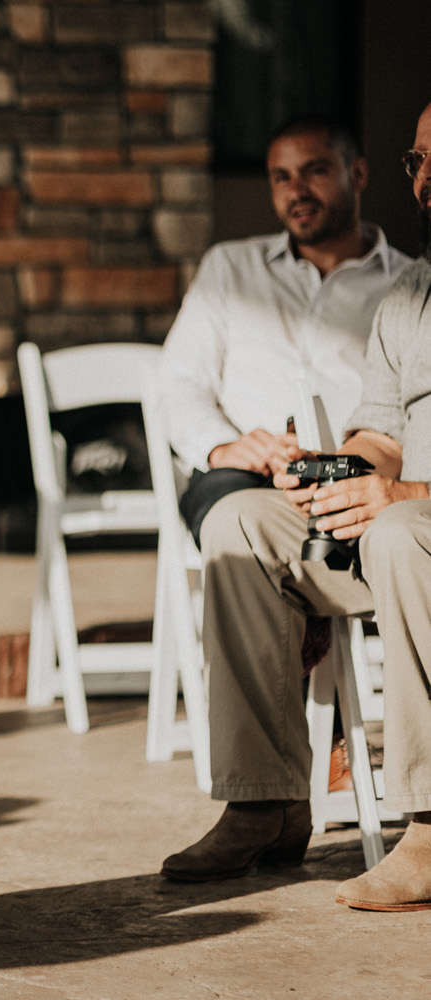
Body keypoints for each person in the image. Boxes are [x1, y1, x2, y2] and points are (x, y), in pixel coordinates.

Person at [159, 102, 431, 913]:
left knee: (400, 530)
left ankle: (429, 827)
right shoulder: (413, 291)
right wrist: (340, 471)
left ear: (353, 176)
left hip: (413, 526)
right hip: (392, 521)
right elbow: (381, 431)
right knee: (242, 525)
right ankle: (264, 800)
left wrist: (401, 494)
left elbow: (403, 495)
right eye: (419, 160)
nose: (427, 178)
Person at [158, 117, 410, 545]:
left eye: (315, 171)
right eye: (281, 177)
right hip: (242, 474)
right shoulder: (230, 269)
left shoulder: (409, 286)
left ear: (358, 173)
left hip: (349, 473)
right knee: (234, 521)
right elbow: (178, 383)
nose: (297, 191)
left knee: (367, 531)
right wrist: (224, 447)